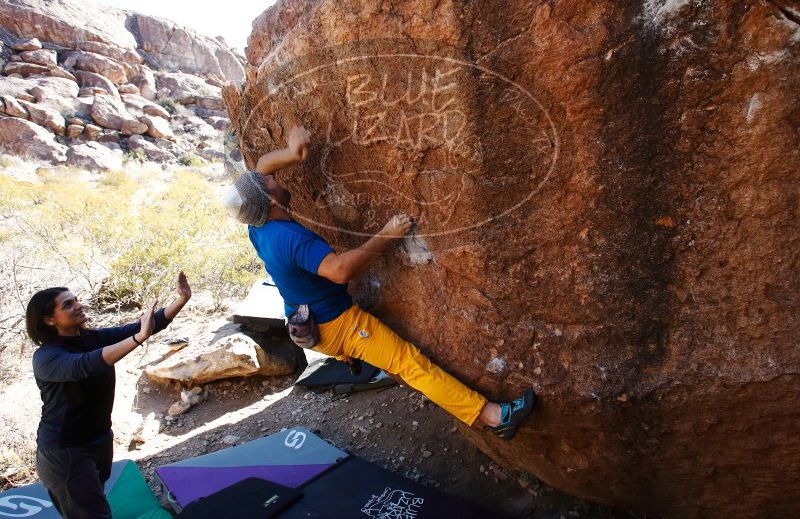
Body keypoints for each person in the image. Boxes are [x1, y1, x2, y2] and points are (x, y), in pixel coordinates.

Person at [222, 126, 535, 440]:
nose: (273, 177)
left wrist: (291, 153)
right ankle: (496, 418)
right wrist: (388, 233)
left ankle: (349, 358)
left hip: (305, 318)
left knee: (378, 352)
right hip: (337, 324)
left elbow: (262, 167)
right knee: (409, 364)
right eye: (270, 183)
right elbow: (340, 271)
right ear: (271, 201)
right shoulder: (289, 239)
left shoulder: (258, 223)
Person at [26, 272, 192, 519]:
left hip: (99, 438)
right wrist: (138, 339)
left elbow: (147, 325)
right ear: (50, 320)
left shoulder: (91, 337)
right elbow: (84, 365)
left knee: (96, 504)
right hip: (65, 451)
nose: (78, 305)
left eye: (76, 300)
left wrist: (181, 299)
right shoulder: (46, 358)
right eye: (67, 304)